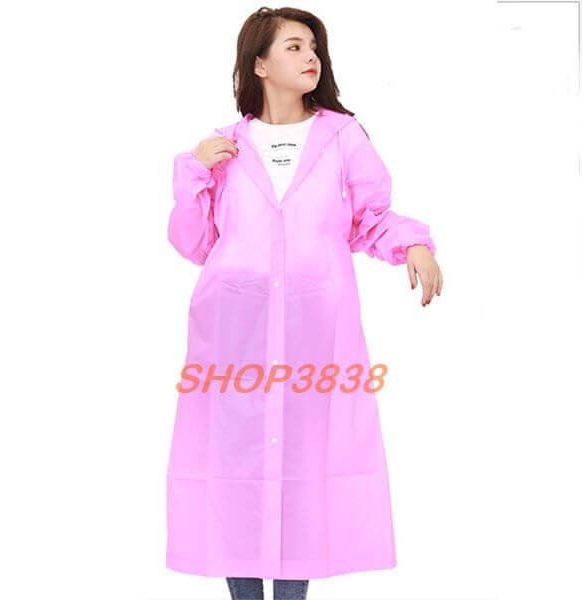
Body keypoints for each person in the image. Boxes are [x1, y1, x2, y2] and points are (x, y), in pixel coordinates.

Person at [166, 6, 443, 600]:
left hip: (316, 333)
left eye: (313, 45)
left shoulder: (341, 138)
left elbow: (369, 217)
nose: (310, 55)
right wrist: (193, 172)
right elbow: (195, 242)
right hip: (233, 335)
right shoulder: (225, 147)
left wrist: (413, 243)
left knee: (306, 466)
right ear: (259, 64)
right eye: (293, 46)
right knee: (234, 470)